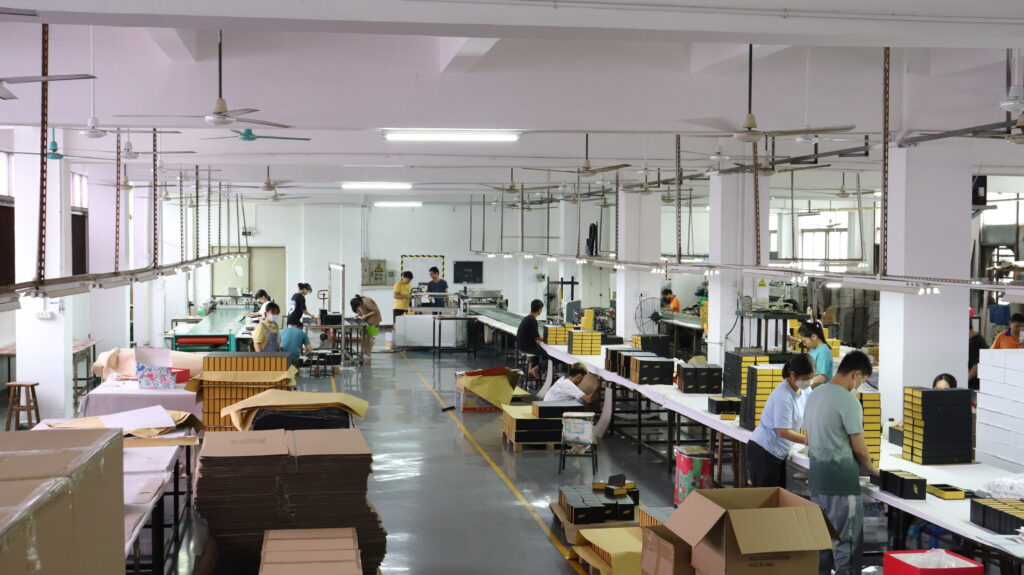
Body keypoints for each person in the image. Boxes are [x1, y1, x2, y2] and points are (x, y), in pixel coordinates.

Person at [804, 351, 879, 575]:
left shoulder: (814, 395)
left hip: (816, 482)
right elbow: (859, 448)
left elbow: (807, 439)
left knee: (822, 545)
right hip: (842, 486)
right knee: (846, 546)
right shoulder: (849, 402)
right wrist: (874, 470)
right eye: (863, 382)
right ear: (856, 374)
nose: (860, 386)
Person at [747, 354, 816, 488]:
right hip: (764, 452)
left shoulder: (805, 389)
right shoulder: (783, 396)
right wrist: (810, 440)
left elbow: (812, 411)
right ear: (793, 375)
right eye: (806, 378)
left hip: (779, 453)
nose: (810, 382)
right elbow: (783, 432)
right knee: (765, 499)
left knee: (777, 498)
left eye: (812, 377)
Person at [516, 299, 546, 379]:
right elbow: (537, 338)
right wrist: (548, 339)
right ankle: (536, 369)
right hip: (527, 348)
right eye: (541, 309)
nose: (541, 311)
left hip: (521, 346)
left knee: (538, 349)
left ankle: (530, 370)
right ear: (539, 309)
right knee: (548, 355)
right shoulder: (532, 320)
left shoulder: (526, 318)